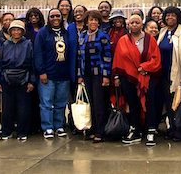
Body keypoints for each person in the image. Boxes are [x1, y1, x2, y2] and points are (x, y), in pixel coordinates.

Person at [113, 13, 162, 145]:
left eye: (137, 23)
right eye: (132, 23)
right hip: (128, 77)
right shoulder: (123, 40)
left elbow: (156, 58)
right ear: (128, 24)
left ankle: (151, 130)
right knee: (132, 104)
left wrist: (145, 67)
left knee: (149, 103)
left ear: (142, 25)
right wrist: (117, 76)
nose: (134, 25)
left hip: (146, 77)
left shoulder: (149, 39)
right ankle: (135, 130)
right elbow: (118, 60)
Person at [33, 8, 75, 139]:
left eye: (58, 16)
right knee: (46, 103)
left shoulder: (66, 33)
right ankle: (48, 127)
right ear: (48, 18)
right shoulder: (43, 33)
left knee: (61, 103)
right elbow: (38, 53)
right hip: (48, 75)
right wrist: (42, 72)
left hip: (63, 74)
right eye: (52, 16)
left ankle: (59, 126)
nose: (55, 18)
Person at [157, 6, 181, 142]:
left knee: (180, 104)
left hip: (178, 76)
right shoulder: (163, 32)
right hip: (164, 76)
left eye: (173, 15)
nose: (169, 18)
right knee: (169, 105)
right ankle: (173, 129)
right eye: (167, 15)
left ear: (178, 17)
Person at [76, 10, 111, 142]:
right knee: (90, 102)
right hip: (87, 74)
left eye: (96, 20)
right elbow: (80, 57)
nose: (93, 22)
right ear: (86, 21)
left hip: (99, 75)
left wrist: (106, 76)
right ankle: (91, 129)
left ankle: (100, 131)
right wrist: (80, 75)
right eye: (91, 20)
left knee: (99, 103)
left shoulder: (103, 36)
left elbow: (107, 56)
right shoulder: (83, 36)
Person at [0, 20, 35, 141]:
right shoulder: (5, 45)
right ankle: (6, 131)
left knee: (23, 107)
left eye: (19, 30)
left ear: (22, 31)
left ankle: (22, 132)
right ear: (10, 31)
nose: (16, 32)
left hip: (24, 78)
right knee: (7, 107)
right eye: (14, 30)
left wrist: (31, 81)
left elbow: (32, 64)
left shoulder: (28, 44)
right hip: (7, 79)